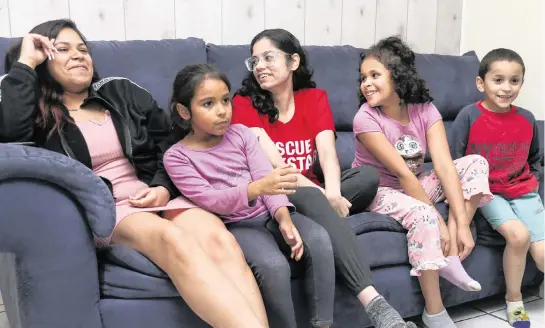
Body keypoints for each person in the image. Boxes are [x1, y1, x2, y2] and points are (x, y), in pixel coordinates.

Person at [0, 19, 268, 328]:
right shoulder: (36, 110)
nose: (78, 55)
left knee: (219, 239)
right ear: (42, 60)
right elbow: (9, 132)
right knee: (173, 240)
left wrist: (162, 187)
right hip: (109, 207)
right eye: (62, 49)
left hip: (155, 194)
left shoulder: (120, 91)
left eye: (83, 49)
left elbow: (170, 141)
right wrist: (25, 63)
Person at [232, 28, 415, 328]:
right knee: (311, 195)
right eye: (254, 61)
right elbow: (278, 169)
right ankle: (376, 305)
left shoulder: (314, 98)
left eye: (268, 57)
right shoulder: (243, 103)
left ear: (293, 61)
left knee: (367, 177)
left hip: (316, 189)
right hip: (279, 190)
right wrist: (320, 194)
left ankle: (323, 210)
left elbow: (327, 151)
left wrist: (331, 192)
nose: (260, 66)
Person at [163, 63, 336, 328]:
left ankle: (322, 324)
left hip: (270, 211)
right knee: (273, 266)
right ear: (184, 111)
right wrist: (256, 189)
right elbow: (211, 200)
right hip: (237, 225)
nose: (222, 111)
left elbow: (267, 177)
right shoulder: (177, 157)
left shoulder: (242, 134)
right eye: (208, 104)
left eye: (225, 101)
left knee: (320, 240)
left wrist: (283, 218)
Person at [352, 36, 494, 328]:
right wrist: (438, 221)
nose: (366, 83)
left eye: (375, 75)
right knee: (424, 213)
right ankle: (435, 312)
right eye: (363, 77)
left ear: (398, 76)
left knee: (476, 163)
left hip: (416, 181)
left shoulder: (424, 109)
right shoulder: (364, 119)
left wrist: (460, 225)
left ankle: (451, 254)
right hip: (379, 190)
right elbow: (402, 174)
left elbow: (442, 165)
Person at [452, 48, 543, 328]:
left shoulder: (527, 119)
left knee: (542, 257)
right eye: (498, 80)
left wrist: (534, 186)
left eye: (514, 81)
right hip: (487, 193)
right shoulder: (468, 116)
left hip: (524, 191)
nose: (506, 88)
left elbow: (535, 159)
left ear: (521, 83)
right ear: (482, 83)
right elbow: (454, 162)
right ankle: (514, 301)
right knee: (518, 236)